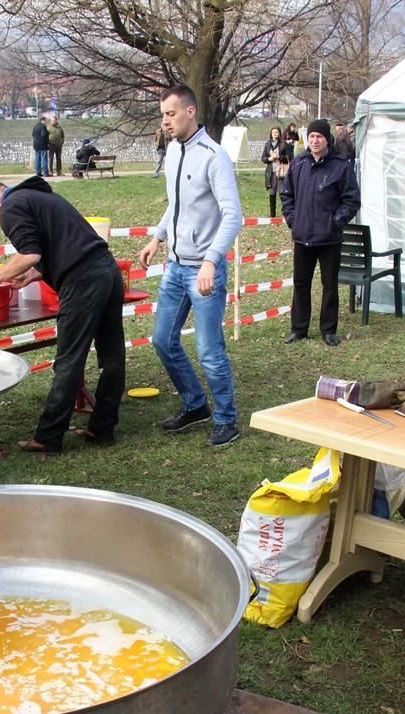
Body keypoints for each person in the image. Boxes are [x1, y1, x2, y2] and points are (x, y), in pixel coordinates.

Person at [0, 175, 126, 453]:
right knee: (112, 356)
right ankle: (103, 428)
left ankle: (49, 437)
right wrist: (30, 277)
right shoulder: (38, 196)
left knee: (68, 359)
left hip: (83, 281)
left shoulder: (12, 204)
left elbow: (29, 253)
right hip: (107, 272)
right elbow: (60, 244)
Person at [138, 84, 242, 448]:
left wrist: (211, 262)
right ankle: (195, 404)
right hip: (175, 267)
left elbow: (233, 215)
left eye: (170, 113)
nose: (165, 121)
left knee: (209, 351)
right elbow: (176, 202)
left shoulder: (214, 157)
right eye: (163, 114)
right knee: (162, 341)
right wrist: (157, 237)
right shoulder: (172, 150)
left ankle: (226, 419)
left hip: (204, 272)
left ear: (191, 112)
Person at [280, 117, 361, 347]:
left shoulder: (340, 165)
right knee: (301, 284)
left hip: (329, 239)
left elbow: (352, 200)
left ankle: (328, 329)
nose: (315, 141)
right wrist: (293, 220)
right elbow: (287, 195)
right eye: (312, 137)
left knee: (329, 285)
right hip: (303, 236)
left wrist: (336, 221)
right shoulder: (299, 163)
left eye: (320, 137)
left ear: (328, 140)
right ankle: (299, 329)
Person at [261, 126, 291, 218]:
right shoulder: (267, 144)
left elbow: (288, 158)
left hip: (281, 171)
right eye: (273, 132)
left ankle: (285, 214)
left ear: (279, 133)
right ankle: (272, 215)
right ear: (271, 134)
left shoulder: (283, 144)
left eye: (276, 132)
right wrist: (270, 158)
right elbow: (263, 158)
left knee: (282, 193)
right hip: (271, 172)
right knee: (272, 193)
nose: (275, 134)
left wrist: (279, 157)